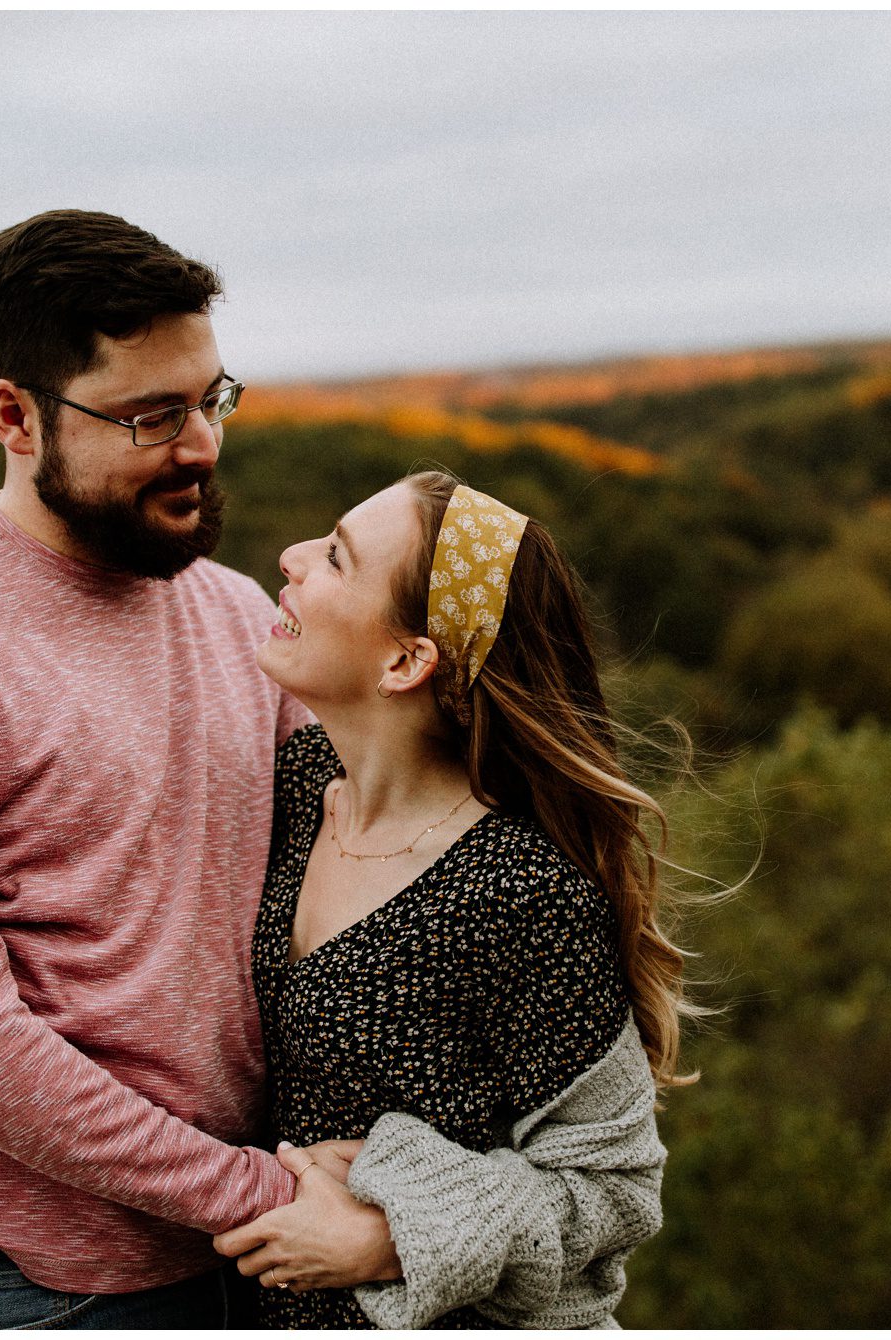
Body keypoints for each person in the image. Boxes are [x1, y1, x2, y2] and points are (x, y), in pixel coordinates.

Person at [0, 209, 313, 1328]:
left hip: (248, 1253)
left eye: (212, 399)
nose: (201, 445)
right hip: (20, 1281)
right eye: (151, 415)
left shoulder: (237, 617)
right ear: (14, 415)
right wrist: (256, 1192)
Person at [210, 471, 689, 1327]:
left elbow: (615, 1188)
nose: (288, 559)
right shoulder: (299, 782)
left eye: (334, 558)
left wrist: (395, 1236)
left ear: (405, 660)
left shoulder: (521, 892)